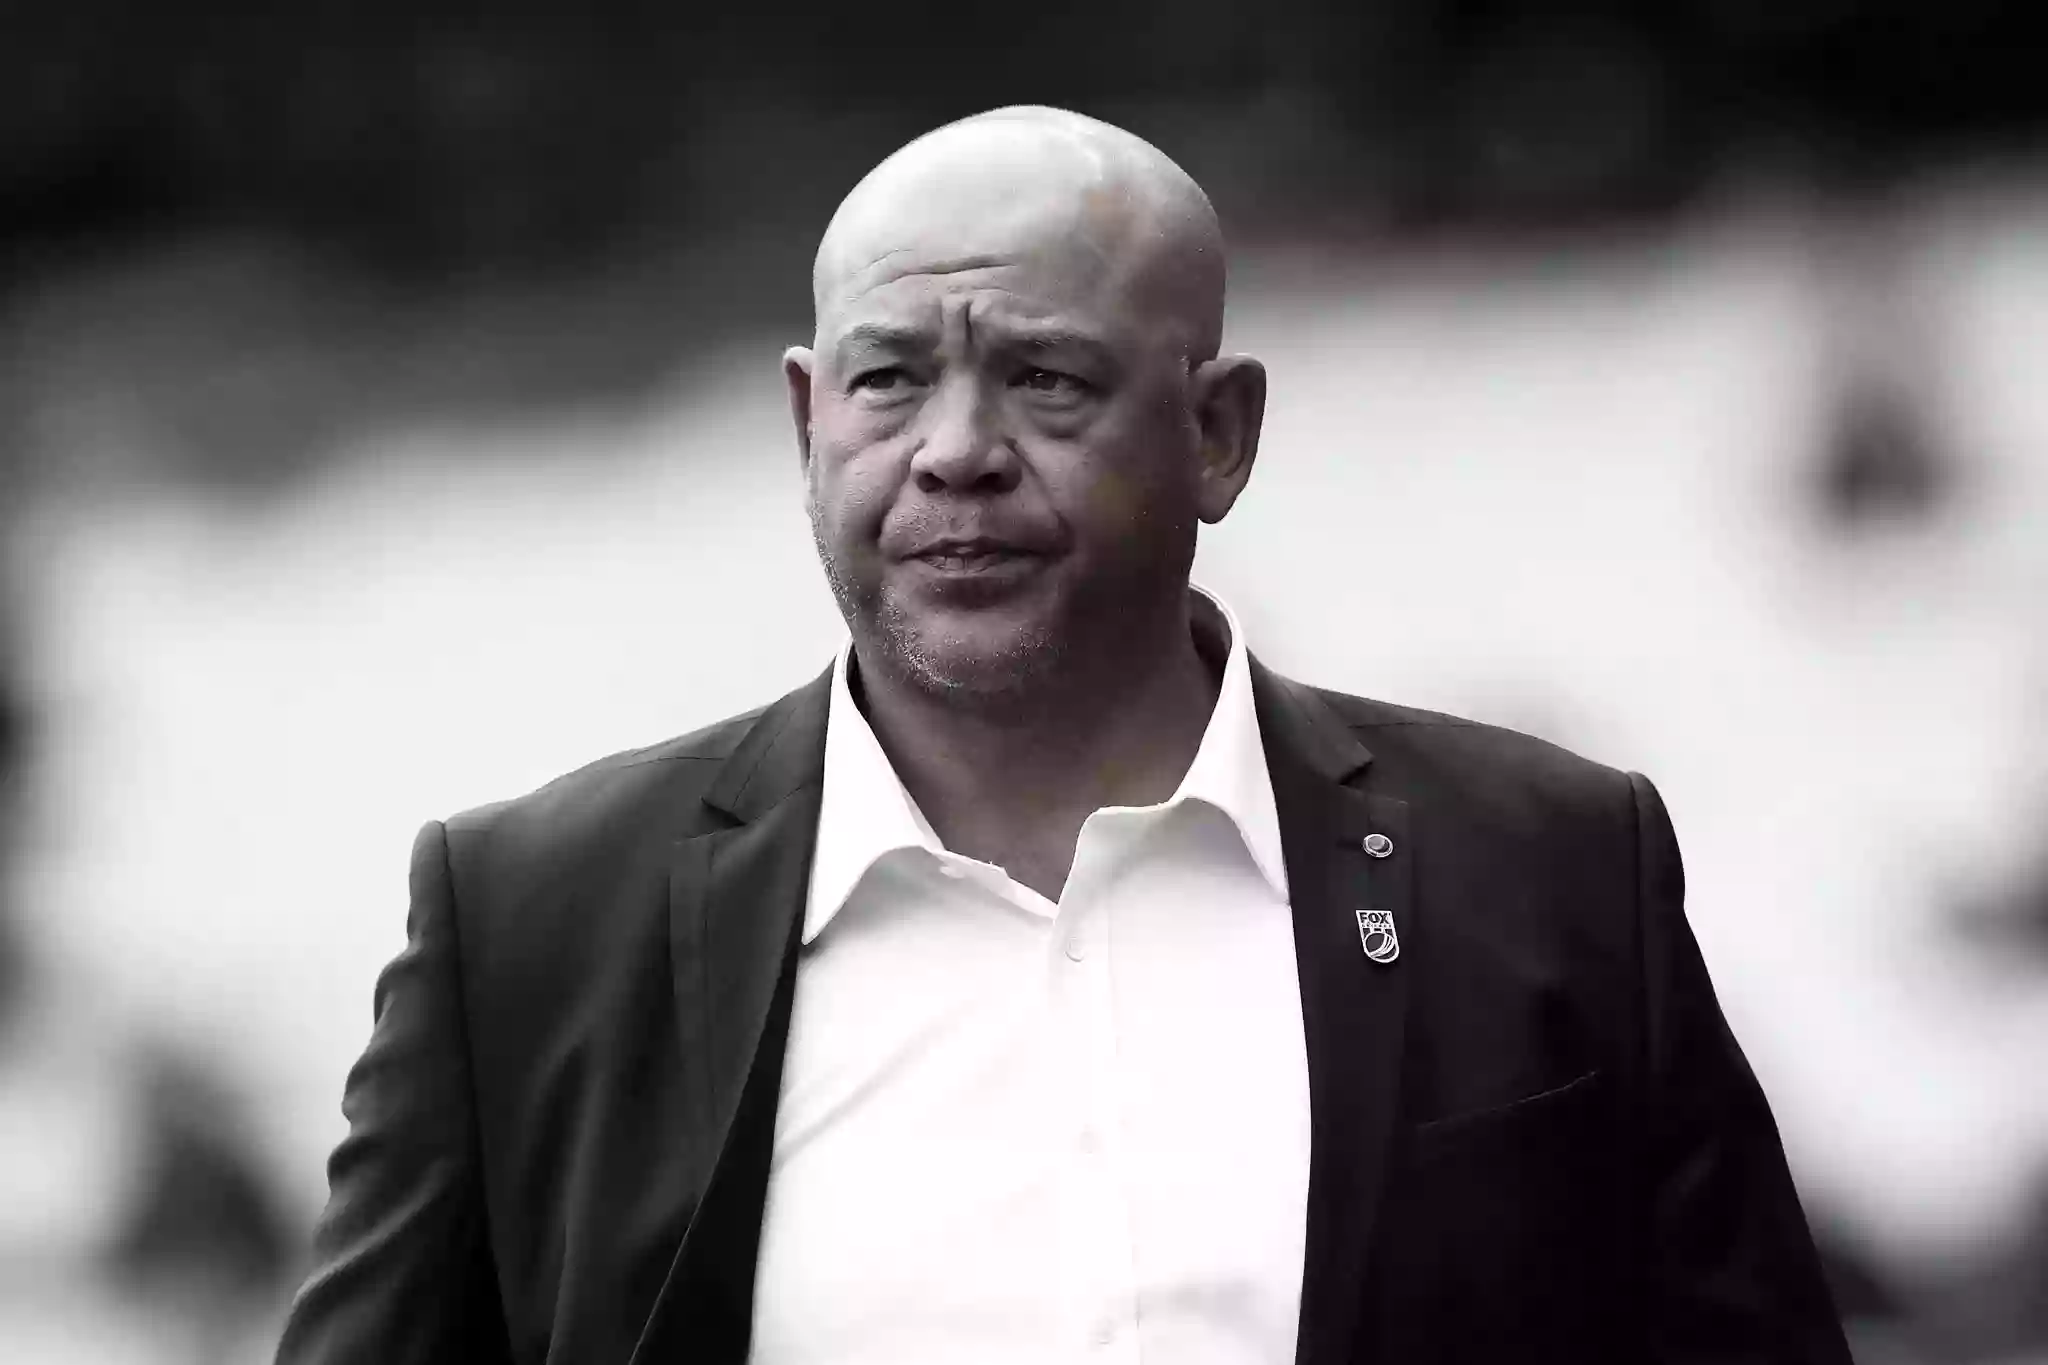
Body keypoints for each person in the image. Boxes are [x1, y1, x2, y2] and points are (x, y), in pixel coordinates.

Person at [275, 106, 1851, 1365]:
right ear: (807, 422)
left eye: (1044, 377)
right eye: (890, 381)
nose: (955, 452)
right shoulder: (538, 922)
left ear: (1218, 433)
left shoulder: (1545, 870)